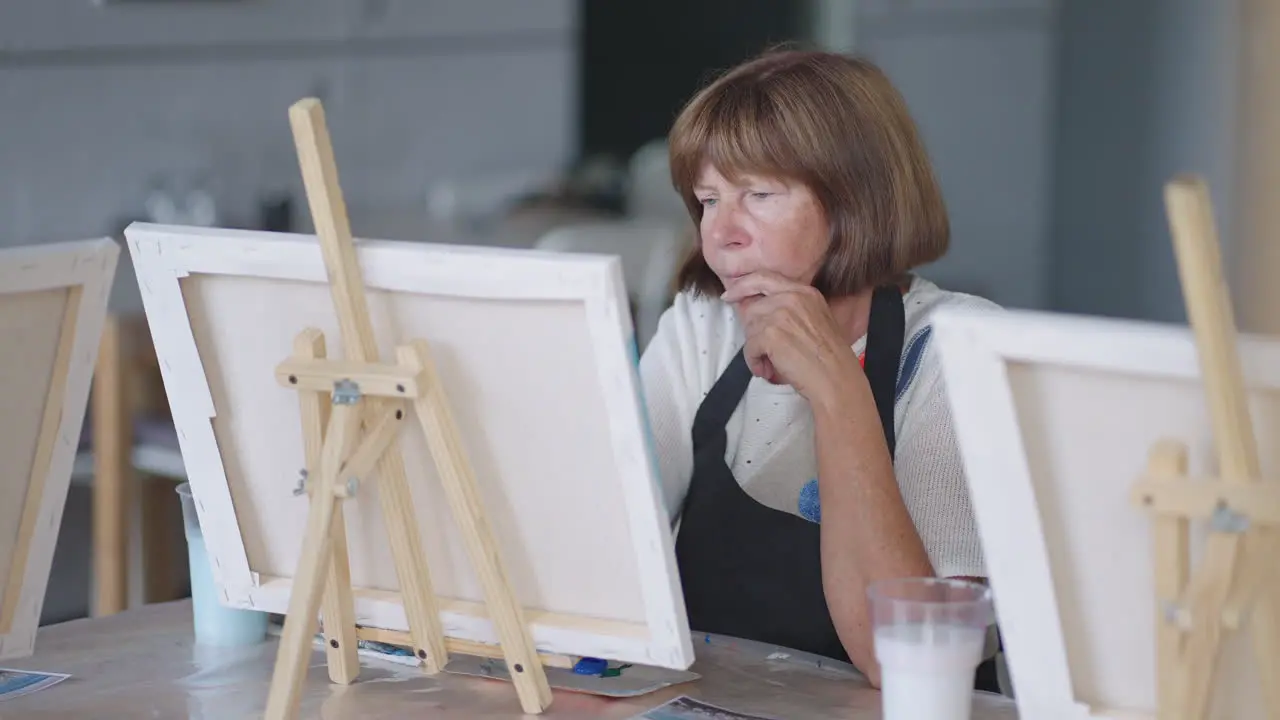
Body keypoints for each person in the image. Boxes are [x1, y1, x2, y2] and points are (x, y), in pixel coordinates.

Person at [638, 48, 1003, 690]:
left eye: (757, 194)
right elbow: (605, 550)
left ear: (855, 199)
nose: (721, 233)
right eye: (707, 199)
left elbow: (907, 661)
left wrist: (837, 389)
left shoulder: (957, 349)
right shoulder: (702, 326)